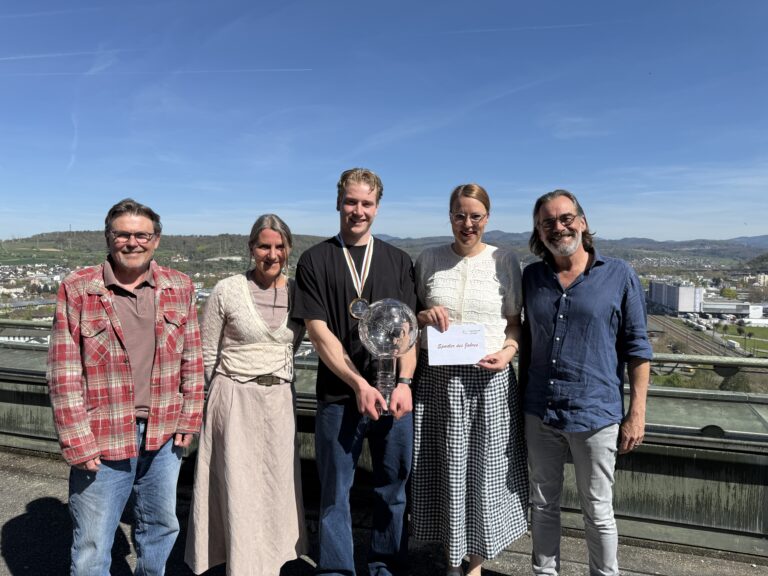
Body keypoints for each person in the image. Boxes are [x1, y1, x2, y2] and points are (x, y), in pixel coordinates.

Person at [47, 198, 204, 575]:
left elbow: (193, 360)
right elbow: (62, 371)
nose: (132, 242)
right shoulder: (79, 288)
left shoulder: (180, 287)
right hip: (101, 433)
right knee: (93, 543)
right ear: (109, 237)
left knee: (161, 528)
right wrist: (76, 440)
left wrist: (189, 419)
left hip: (164, 433)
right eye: (123, 234)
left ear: (156, 240)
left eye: (142, 235)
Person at [520, 189, 653, 576]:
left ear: (582, 221)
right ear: (539, 232)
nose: (558, 227)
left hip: (595, 413)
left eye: (566, 218)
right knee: (543, 504)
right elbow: (523, 341)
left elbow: (638, 347)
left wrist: (637, 413)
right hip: (539, 409)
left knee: (598, 509)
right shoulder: (532, 277)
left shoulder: (619, 274)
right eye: (548, 222)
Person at [293, 168, 417, 576]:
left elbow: (408, 332)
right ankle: (337, 570)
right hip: (339, 396)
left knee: (393, 489)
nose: (357, 210)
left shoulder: (399, 260)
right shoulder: (315, 260)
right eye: (351, 202)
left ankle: (384, 565)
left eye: (366, 203)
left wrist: (403, 383)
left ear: (377, 208)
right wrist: (358, 383)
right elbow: (319, 331)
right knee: (335, 493)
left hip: (393, 396)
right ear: (338, 203)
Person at [410, 184, 529, 576]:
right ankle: (449, 557)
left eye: (475, 216)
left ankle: (474, 562)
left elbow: (514, 325)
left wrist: (507, 354)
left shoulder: (505, 260)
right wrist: (424, 317)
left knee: (483, 472)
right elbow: (411, 319)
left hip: (489, 382)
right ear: (449, 217)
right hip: (436, 384)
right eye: (460, 215)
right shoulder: (427, 259)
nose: (467, 224)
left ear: (487, 219)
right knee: (442, 469)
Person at [184, 214, 308, 575]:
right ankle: (239, 564)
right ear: (251, 248)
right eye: (264, 245)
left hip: (279, 400)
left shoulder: (299, 292)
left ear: (288, 248)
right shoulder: (227, 290)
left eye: (279, 246)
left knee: (275, 487)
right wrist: (224, 396)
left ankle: (270, 563)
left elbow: (293, 345)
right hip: (233, 398)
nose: (272, 254)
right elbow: (208, 353)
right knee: (237, 487)